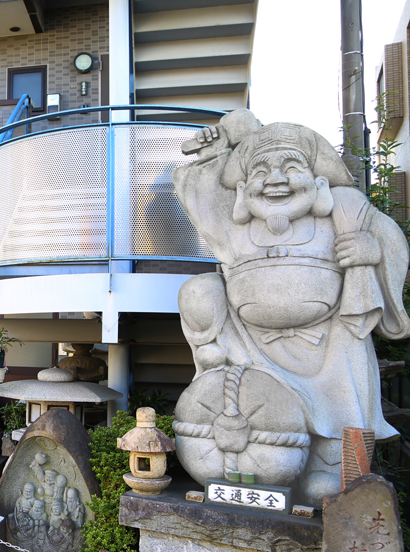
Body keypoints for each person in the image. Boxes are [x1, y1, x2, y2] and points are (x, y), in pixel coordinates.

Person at [172, 109, 410, 506]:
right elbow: (203, 198)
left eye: (291, 168)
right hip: (248, 343)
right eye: (261, 172)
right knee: (199, 288)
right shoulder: (235, 225)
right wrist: (215, 154)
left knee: (344, 391)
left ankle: (332, 465)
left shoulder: (343, 212)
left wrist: (371, 251)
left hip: (327, 341)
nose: (276, 180)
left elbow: (389, 239)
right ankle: (219, 369)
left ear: (319, 183)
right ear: (243, 189)